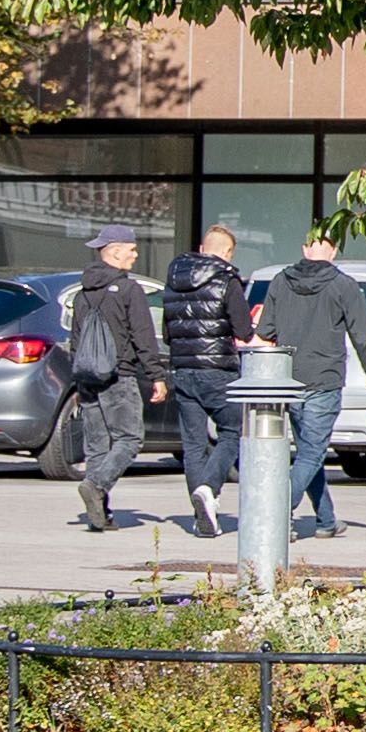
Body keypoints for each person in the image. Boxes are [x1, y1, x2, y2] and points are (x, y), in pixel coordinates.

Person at [262, 234, 366, 540]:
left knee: (306, 453)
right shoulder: (344, 285)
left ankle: (326, 520)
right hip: (324, 379)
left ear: (304, 249)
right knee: (311, 454)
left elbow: (265, 331)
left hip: (288, 378)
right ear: (334, 251)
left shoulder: (279, 281)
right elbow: (362, 334)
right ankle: (276, 510)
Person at [158, 222, 255, 540]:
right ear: (227, 253)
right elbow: (242, 331)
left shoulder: (173, 280)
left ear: (202, 248)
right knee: (233, 431)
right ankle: (208, 488)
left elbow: (168, 331)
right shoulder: (228, 280)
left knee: (193, 445)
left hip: (183, 370)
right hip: (218, 370)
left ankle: (203, 516)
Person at [57, 232, 160, 532]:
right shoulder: (130, 290)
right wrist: (156, 375)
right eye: (131, 249)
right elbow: (143, 336)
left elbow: (75, 342)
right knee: (130, 438)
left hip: (88, 378)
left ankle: (98, 516)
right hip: (119, 375)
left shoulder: (82, 294)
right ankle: (96, 484)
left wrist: (78, 382)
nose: (135, 255)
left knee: (97, 446)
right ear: (114, 252)